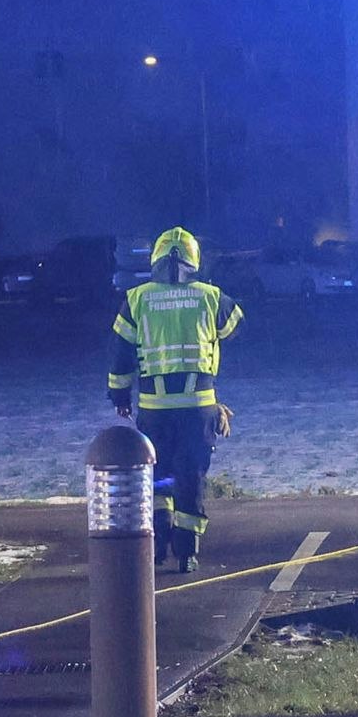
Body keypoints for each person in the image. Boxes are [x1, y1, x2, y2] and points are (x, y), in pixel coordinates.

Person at [111, 227, 243, 572]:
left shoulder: (136, 298)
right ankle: (187, 553)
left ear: (155, 258)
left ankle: (155, 547)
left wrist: (119, 396)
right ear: (194, 258)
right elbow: (233, 327)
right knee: (191, 477)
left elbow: (122, 356)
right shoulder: (211, 297)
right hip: (198, 408)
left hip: (154, 410)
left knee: (156, 478)